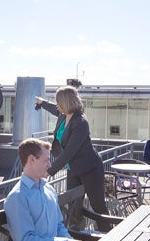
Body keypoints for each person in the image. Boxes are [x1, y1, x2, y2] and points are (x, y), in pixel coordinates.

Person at [5, 138, 88, 241]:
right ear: (31, 160)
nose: (50, 165)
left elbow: (58, 226)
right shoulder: (18, 196)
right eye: (46, 160)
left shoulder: (48, 189)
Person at [35, 85, 107, 229]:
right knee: (74, 206)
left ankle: (109, 236)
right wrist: (41, 103)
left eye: (58, 102)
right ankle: (78, 235)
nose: (57, 105)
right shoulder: (63, 115)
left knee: (98, 206)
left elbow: (69, 152)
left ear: (65, 103)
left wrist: (49, 171)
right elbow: (53, 109)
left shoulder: (80, 122)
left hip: (90, 169)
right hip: (73, 169)